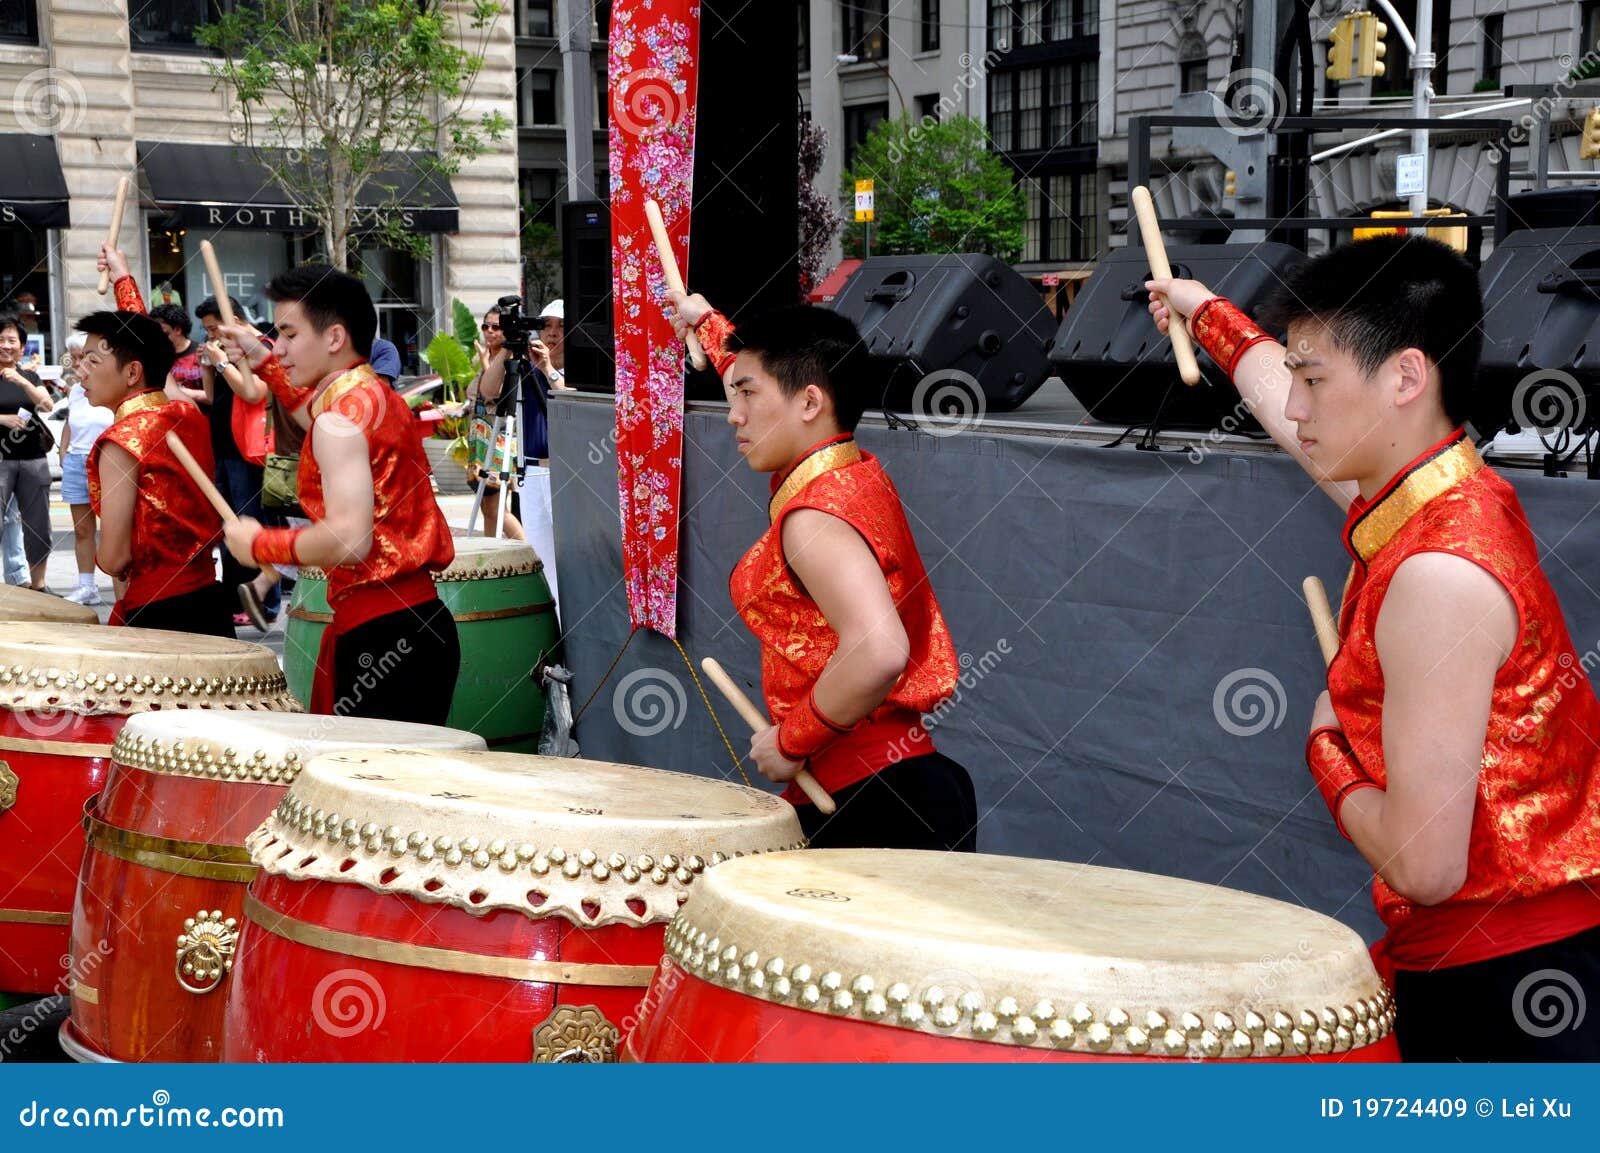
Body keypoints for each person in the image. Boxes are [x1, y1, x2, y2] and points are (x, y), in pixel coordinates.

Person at [1146, 235, 1600, 1061]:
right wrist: (1204, 315)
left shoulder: (1438, 572)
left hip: (1507, 990)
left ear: (1405, 377)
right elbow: (1291, 414)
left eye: (1313, 382)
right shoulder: (1441, 486)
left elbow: (1425, 864)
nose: (1295, 409)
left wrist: (1327, 747)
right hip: (1498, 962)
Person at [665, 288, 977, 852]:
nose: (733, 413)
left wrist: (791, 741)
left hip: (873, 800)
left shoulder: (814, 515)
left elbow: (880, 650)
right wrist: (706, 323)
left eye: (747, 395)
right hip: (896, 781)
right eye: (733, 390)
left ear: (810, 403)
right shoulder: (849, 472)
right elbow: (773, 368)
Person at [219, 265, 459, 723]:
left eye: (288, 334)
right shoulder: (375, 396)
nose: (280, 346)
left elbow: (350, 539)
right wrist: (267, 363)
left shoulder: (339, 419)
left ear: (334, 337)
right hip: (415, 622)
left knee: (375, 788)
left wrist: (258, 544)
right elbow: (318, 418)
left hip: (383, 635)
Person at [85, 246, 232, 635]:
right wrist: (123, 277)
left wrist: (107, 561)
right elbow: (151, 352)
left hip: (157, 612)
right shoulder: (186, 412)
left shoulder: (122, 441)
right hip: (207, 601)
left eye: (92, 361)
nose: (80, 372)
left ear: (132, 372)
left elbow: (115, 558)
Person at [196, 294, 279, 630]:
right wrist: (208, 365)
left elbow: (254, 392)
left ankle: (265, 601)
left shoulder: (258, 345)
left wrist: (220, 362)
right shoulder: (224, 350)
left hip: (250, 451)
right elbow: (215, 397)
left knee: (252, 522)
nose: (212, 334)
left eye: (215, 327)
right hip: (224, 448)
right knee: (231, 529)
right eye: (207, 330)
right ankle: (236, 598)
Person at [519, 299, 574, 603]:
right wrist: (505, 351)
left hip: (564, 471)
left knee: (569, 558)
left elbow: (571, 401)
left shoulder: (581, 369)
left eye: (561, 326)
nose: (552, 333)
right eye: (546, 326)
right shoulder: (526, 366)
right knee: (544, 559)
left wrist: (549, 369)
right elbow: (486, 391)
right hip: (531, 471)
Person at [0, 312, 59, 592]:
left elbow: (47, 406)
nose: (6, 345)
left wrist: (22, 381)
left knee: (38, 526)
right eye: (1, 340)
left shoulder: (31, 375)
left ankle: (39, 586)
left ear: (22, 347)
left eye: (12, 340)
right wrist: (2, 420)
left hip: (34, 459)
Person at [455, 307, 523, 540]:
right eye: (486, 326)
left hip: (498, 439)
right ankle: (494, 557)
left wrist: (486, 365)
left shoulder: (510, 359)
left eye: (496, 327)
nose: (490, 332)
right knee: (487, 508)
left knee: (497, 509)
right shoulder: (489, 357)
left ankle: (531, 555)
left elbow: (499, 396)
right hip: (481, 441)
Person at [59, 333, 115, 606]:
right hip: (75, 459)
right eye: (76, 357)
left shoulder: (110, 385)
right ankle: (86, 585)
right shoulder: (75, 390)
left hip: (106, 460)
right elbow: (70, 422)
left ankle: (122, 584)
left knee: (113, 527)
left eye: (85, 356)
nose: (79, 363)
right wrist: (63, 451)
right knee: (82, 529)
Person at [149, 302, 206, 406]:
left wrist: (180, 393)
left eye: (164, 333)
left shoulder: (202, 353)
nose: (158, 339)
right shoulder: (156, 358)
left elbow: (216, 396)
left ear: (178, 329)